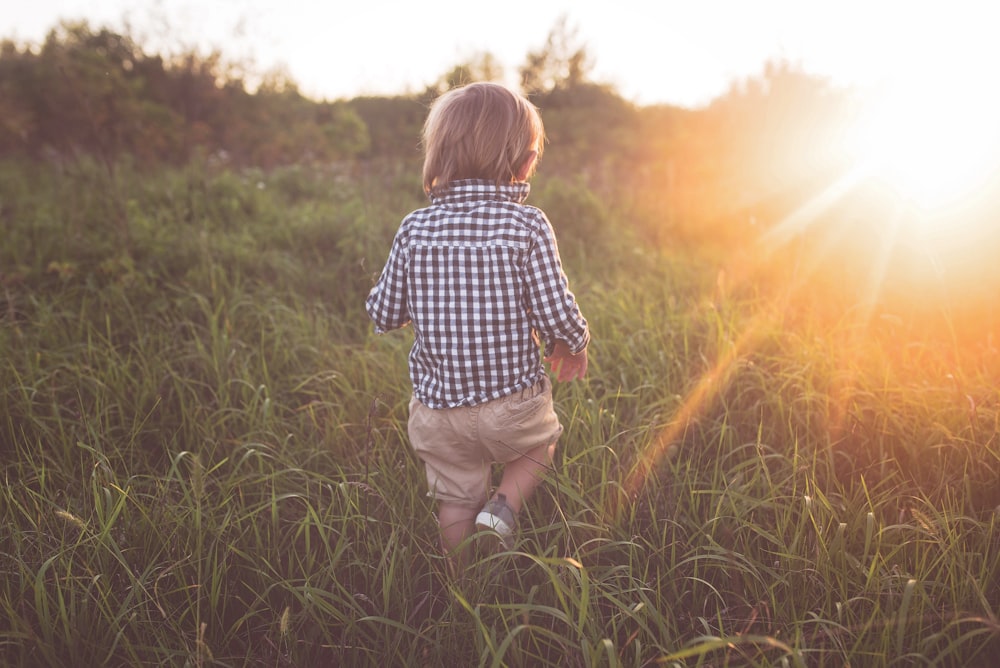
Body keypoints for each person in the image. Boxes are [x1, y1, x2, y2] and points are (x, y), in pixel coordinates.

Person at [365, 82, 589, 567]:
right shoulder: (527, 225)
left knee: (454, 499)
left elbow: (383, 313)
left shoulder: (414, 228)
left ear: (438, 153)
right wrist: (574, 343)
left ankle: (465, 592)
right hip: (512, 403)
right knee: (539, 445)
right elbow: (554, 309)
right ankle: (504, 506)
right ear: (526, 161)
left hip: (438, 410)